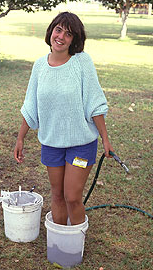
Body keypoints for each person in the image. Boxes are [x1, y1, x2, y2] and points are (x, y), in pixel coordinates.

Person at [14, 12, 114, 226]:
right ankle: (59, 243)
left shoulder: (82, 62)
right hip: (52, 143)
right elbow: (31, 105)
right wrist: (20, 138)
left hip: (81, 144)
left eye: (68, 34)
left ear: (74, 39)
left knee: (72, 196)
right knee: (57, 195)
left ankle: (75, 244)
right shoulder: (40, 66)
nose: (61, 37)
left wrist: (105, 138)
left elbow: (94, 102)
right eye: (58, 30)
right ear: (51, 31)